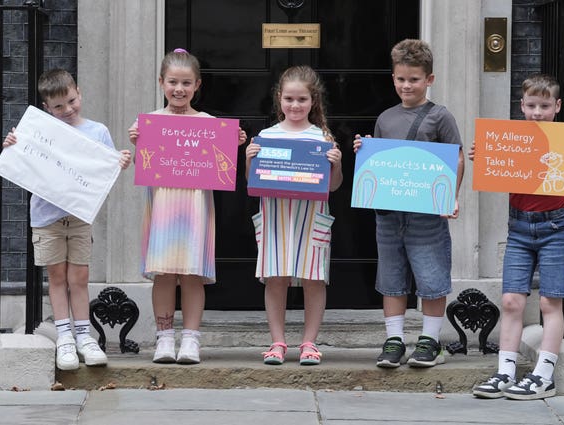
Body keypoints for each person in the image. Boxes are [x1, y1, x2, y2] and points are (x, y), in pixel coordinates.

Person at [472, 73, 564, 400]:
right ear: (521, 106)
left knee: (549, 301)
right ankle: (505, 372)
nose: (537, 112)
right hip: (520, 228)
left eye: (543, 106)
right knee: (511, 301)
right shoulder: (514, 137)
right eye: (530, 105)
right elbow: (496, 169)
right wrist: (483, 158)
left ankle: (543, 376)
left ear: (557, 106)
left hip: (555, 227)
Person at [3, 69, 132, 370]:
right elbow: (21, 161)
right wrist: (13, 145)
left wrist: (121, 162)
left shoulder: (97, 131)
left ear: (80, 93)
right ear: (47, 107)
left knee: (80, 278)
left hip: (79, 218)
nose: (67, 109)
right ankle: (65, 337)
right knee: (57, 278)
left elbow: (106, 169)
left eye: (71, 101)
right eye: (58, 106)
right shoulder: (37, 132)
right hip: (46, 217)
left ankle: (85, 337)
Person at [129, 48, 247, 364]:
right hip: (164, 206)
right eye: (173, 82)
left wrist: (233, 143)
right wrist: (138, 144)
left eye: (186, 83)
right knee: (164, 274)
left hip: (195, 208)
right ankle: (165, 338)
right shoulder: (151, 123)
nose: (179, 89)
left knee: (193, 275)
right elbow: (147, 163)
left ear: (197, 85)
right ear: (161, 83)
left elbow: (221, 165)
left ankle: (191, 340)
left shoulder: (209, 123)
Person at [353, 39, 464, 369]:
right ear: (393, 78)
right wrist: (366, 149)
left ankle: (430, 341)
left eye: (414, 79)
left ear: (429, 79)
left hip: (426, 214)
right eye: (401, 79)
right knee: (391, 277)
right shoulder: (385, 118)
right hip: (389, 215)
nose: (406, 85)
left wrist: (451, 196)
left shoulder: (440, 116)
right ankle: (394, 340)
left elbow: (457, 159)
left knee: (431, 278)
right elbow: (381, 162)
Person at [245, 65, 343, 366]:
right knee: (276, 277)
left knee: (314, 278)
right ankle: (277, 342)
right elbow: (253, 182)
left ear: (313, 100)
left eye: (301, 99)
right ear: (279, 99)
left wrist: (336, 164)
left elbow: (334, 185)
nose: (295, 105)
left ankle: (309, 343)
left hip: (311, 215)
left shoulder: (322, 137)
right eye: (289, 99)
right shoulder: (266, 136)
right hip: (277, 214)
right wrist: (249, 160)